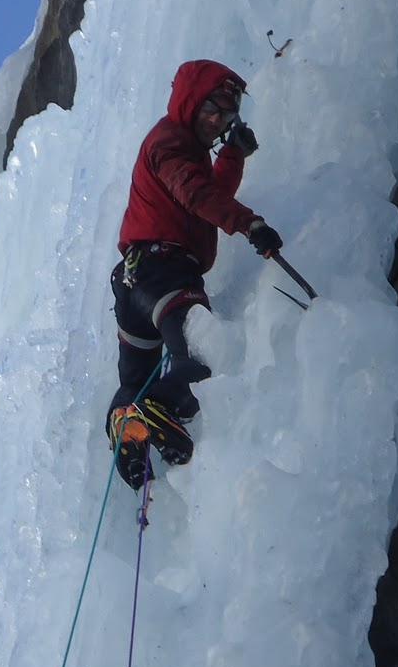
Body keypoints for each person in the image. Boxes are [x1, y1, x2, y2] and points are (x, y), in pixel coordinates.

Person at [106, 58, 284, 488]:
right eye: (215, 108)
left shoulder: (185, 151)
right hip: (164, 274)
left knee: (135, 380)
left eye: (228, 114)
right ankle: (158, 410)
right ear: (191, 100)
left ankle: (127, 431)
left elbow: (205, 195)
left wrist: (233, 154)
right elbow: (196, 193)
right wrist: (250, 223)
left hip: (136, 285)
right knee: (205, 357)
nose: (219, 120)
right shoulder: (168, 141)